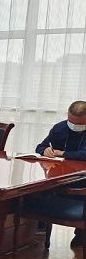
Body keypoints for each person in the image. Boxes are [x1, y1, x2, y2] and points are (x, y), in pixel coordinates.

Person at [32, 100, 86, 248]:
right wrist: (45, 151)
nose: (74, 126)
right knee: (37, 190)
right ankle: (38, 230)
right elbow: (40, 146)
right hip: (60, 176)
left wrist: (64, 153)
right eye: (71, 121)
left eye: (79, 123)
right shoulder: (60, 128)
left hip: (82, 180)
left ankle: (81, 232)